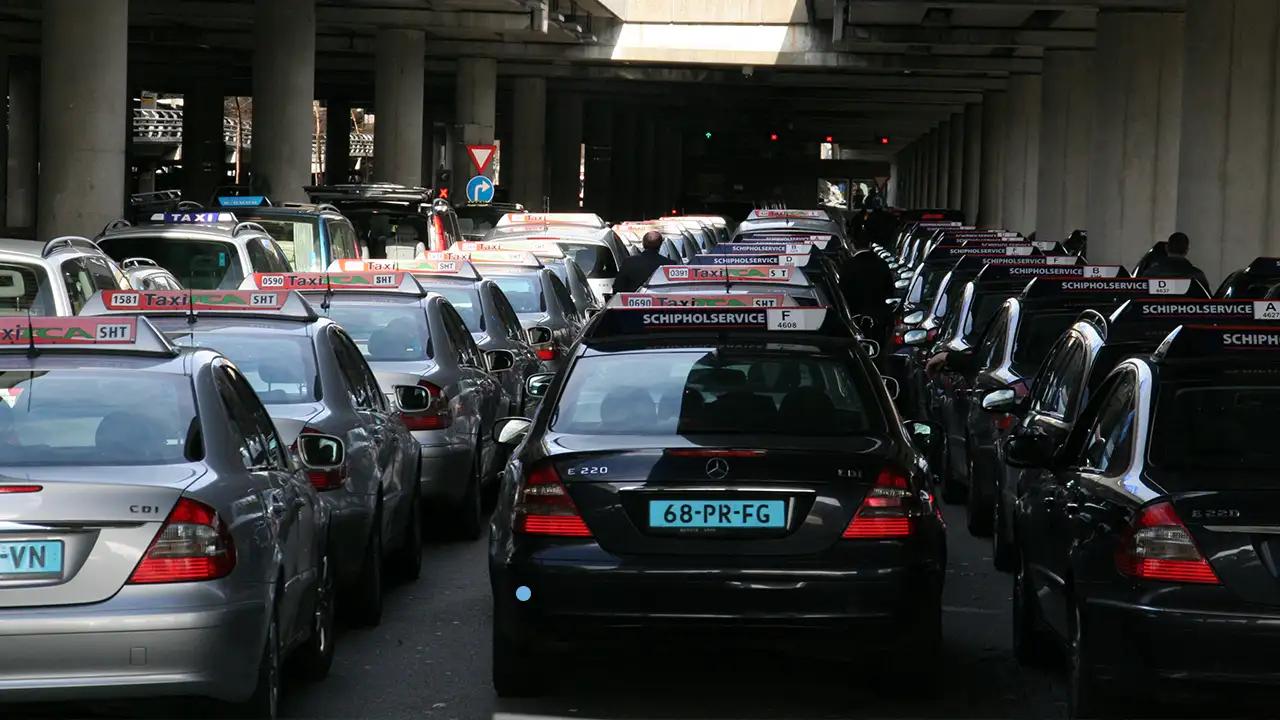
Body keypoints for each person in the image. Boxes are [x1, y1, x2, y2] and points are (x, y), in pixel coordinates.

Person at [840, 226, 895, 353]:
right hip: (878, 319)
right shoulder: (882, 264)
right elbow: (890, 291)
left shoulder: (848, 266)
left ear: (852, 244)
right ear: (870, 244)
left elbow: (842, 292)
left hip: (854, 318)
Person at [1142, 232, 1210, 292]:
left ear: (1166, 248)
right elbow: (1207, 300)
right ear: (1186, 250)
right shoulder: (1197, 276)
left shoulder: (1151, 273)